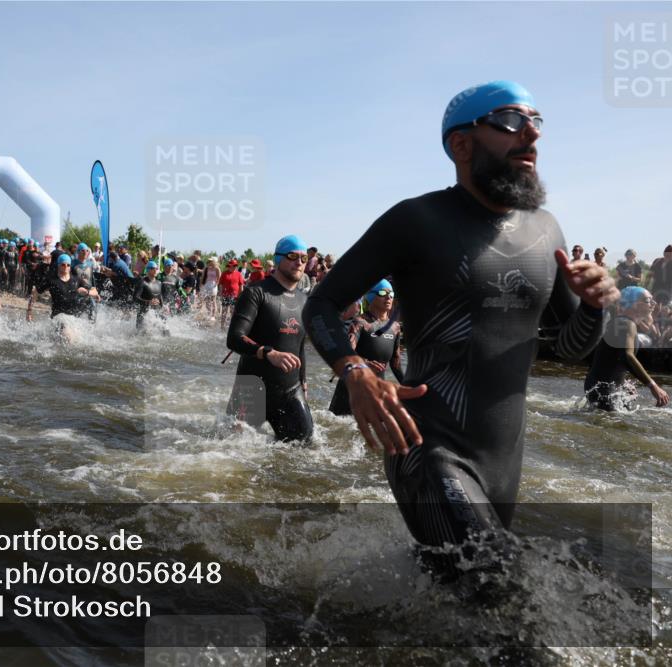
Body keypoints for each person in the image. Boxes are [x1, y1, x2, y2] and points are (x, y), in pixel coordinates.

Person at [302, 80, 618, 556]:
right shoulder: (416, 221)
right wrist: (355, 372)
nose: (531, 135)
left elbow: (573, 348)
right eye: (512, 121)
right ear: (462, 143)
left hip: (503, 461)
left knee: (463, 604)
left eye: (536, 122)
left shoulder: (545, 228)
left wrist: (594, 305)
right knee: (498, 585)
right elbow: (320, 304)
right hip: (426, 446)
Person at [226, 235, 313, 443]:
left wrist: (303, 382)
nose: (299, 262)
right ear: (277, 259)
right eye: (292, 256)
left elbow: (299, 345)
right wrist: (268, 352)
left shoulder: (305, 301)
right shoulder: (256, 293)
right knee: (235, 456)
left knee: (304, 444)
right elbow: (234, 338)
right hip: (251, 389)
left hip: (290, 390)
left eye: (303, 258)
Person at [584, 287, 670, 410]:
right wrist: (653, 386)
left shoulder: (624, 323)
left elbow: (610, 357)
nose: (654, 303)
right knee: (612, 426)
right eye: (648, 300)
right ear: (634, 304)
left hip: (602, 385)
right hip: (603, 388)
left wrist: (623, 382)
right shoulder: (625, 324)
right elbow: (627, 356)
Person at [328, 280, 404, 416]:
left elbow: (396, 364)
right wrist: (365, 363)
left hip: (376, 391)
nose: (389, 297)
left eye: (391, 294)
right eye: (383, 293)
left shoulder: (395, 327)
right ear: (371, 297)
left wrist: (409, 386)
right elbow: (346, 354)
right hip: (351, 391)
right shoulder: (360, 323)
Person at [27, 253, 98, 322]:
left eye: (68, 265)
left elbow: (95, 291)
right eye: (63, 265)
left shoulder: (76, 279)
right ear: (58, 265)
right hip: (58, 317)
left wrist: (87, 292)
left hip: (74, 318)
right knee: (66, 329)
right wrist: (29, 310)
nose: (66, 267)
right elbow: (36, 291)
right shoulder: (51, 280)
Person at [133, 260, 163, 330]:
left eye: (156, 268)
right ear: (148, 270)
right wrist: (148, 302)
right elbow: (135, 297)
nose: (155, 270)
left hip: (155, 315)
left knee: (165, 332)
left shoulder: (159, 283)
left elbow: (160, 296)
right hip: (143, 315)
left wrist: (163, 307)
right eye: (153, 268)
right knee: (142, 337)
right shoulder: (142, 282)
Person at [217, 259, 245, 329]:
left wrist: (240, 295)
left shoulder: (238, 274)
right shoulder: (224, 273)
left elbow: (241, 285)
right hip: (225, 295)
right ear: (229, 266)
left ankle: (232, 327)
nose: (235, 266)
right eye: (234, 265)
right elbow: (220, 284)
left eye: (236, 265)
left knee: (233, 313)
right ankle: (222, 327)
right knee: (224, 312)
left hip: (235, 296)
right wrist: (220, 293)